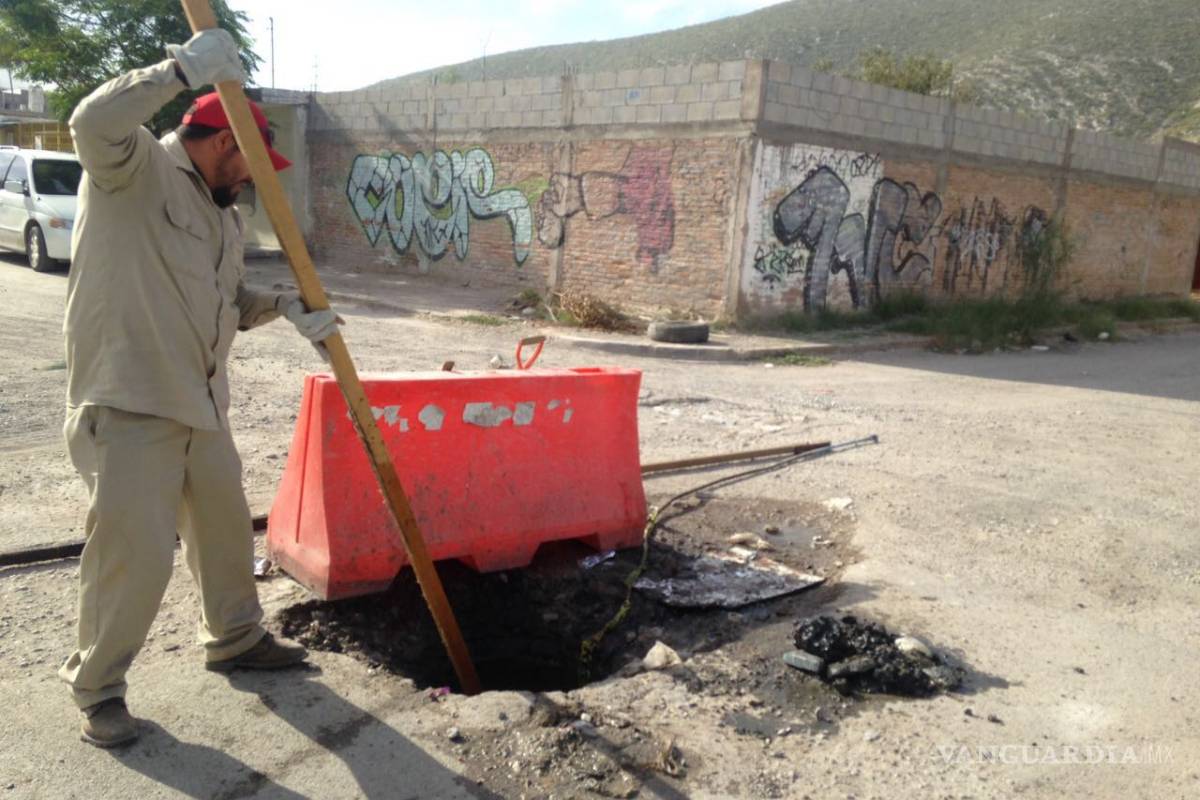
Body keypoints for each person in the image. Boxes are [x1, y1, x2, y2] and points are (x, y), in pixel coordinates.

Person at [60, 29, 336, 748]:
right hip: (131, 402)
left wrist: (282, 306)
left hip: (201, 403)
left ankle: (237, 640)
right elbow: (90, 120)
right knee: (134, 552)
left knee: (221, 529)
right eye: (252, 162)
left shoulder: (223, 214)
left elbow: (225, 301)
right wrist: (177, 69)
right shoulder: (132, 168)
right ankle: (98, 690)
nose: (253, 178)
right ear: (221, 143)